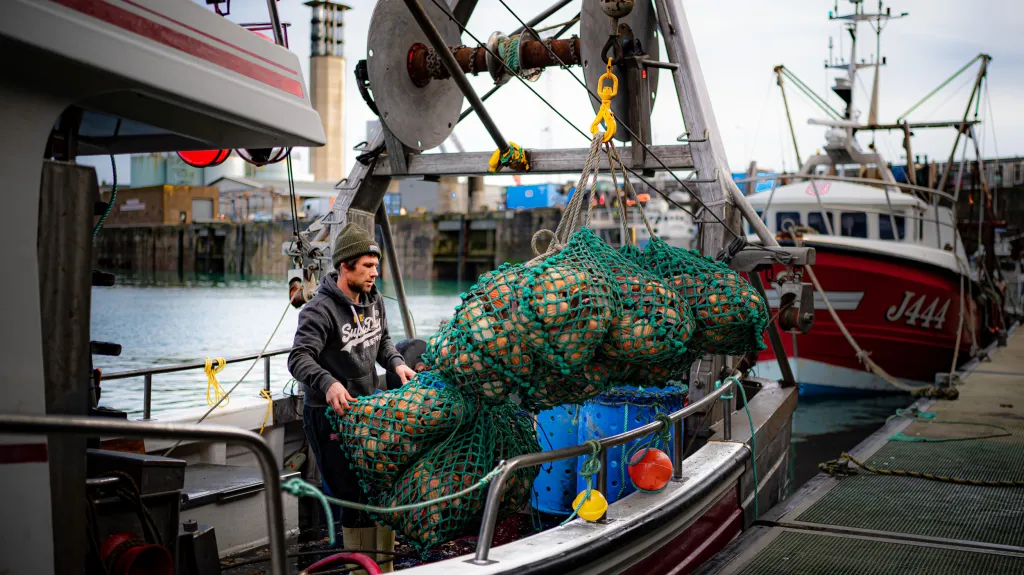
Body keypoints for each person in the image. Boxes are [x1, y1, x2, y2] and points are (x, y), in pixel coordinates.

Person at [288, 223, 416, 571]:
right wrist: (328, 383)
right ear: (345, 266)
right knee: (352, 497)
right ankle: (361, 570)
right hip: (329, 414)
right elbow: (298, 358)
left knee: (381, 487)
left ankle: (383, 568)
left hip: (370, 409)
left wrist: (396, 363)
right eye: (368, 266)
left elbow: (383, 340)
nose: (376, 272)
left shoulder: (374, 299)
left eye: (377, 265)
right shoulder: (318, 310)